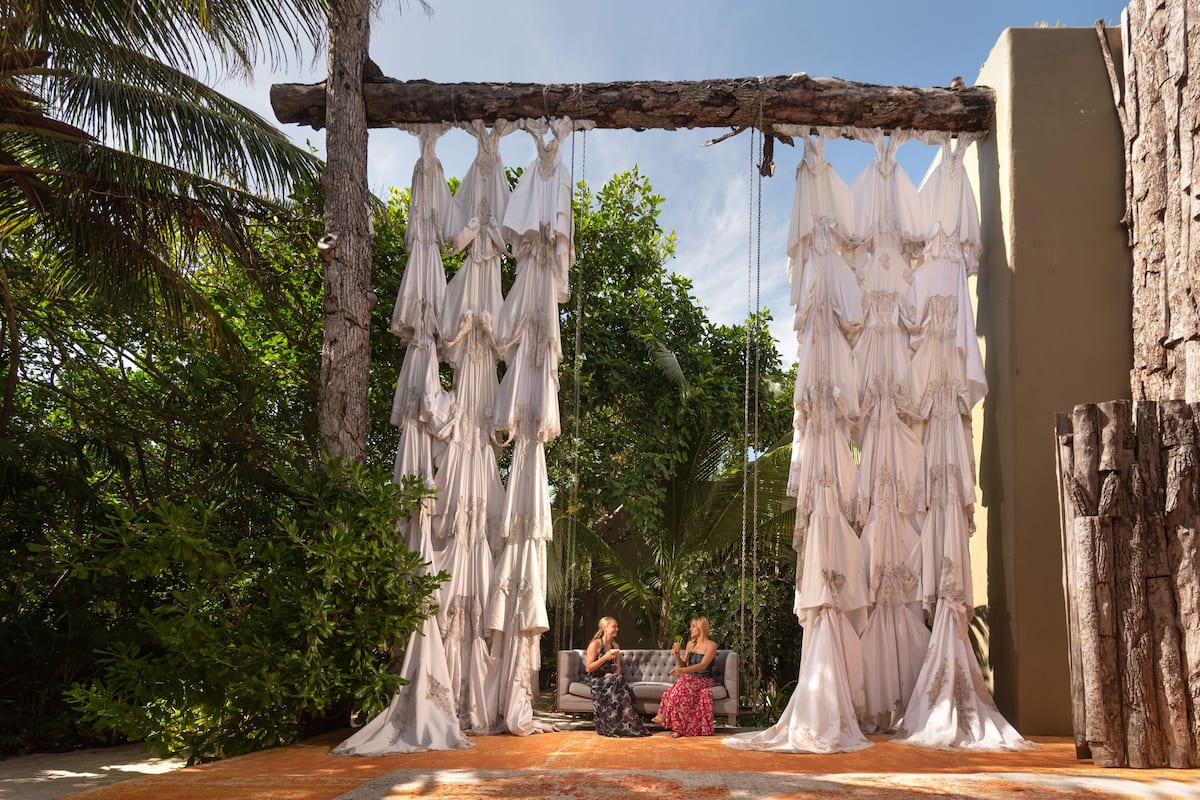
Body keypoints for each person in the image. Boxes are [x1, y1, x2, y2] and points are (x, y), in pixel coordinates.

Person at [583, 616, 650, 737]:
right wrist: (605, 658)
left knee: (618, 679)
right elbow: (588, 668)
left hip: (611, 679)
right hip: (596, 679)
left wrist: (612, 675)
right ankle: (626, 724)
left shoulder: (615, 646)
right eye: (614, 626)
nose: (617, 629)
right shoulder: (595, 644)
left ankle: (623, 725)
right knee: (618, 683)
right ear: (605, 628)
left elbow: (617, 668)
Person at [653, 617, 718, 737]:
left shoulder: (711, 645)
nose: (690, 629)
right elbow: (684, 664)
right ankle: (678, 729)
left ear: (701, 627)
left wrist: (682, 670)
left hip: (704, 680)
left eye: (693, 626)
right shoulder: (690, 644)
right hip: (689, 680)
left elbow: (703, 665)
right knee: (672, 692)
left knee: (681, 684)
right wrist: (677, 656)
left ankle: (664, 714)